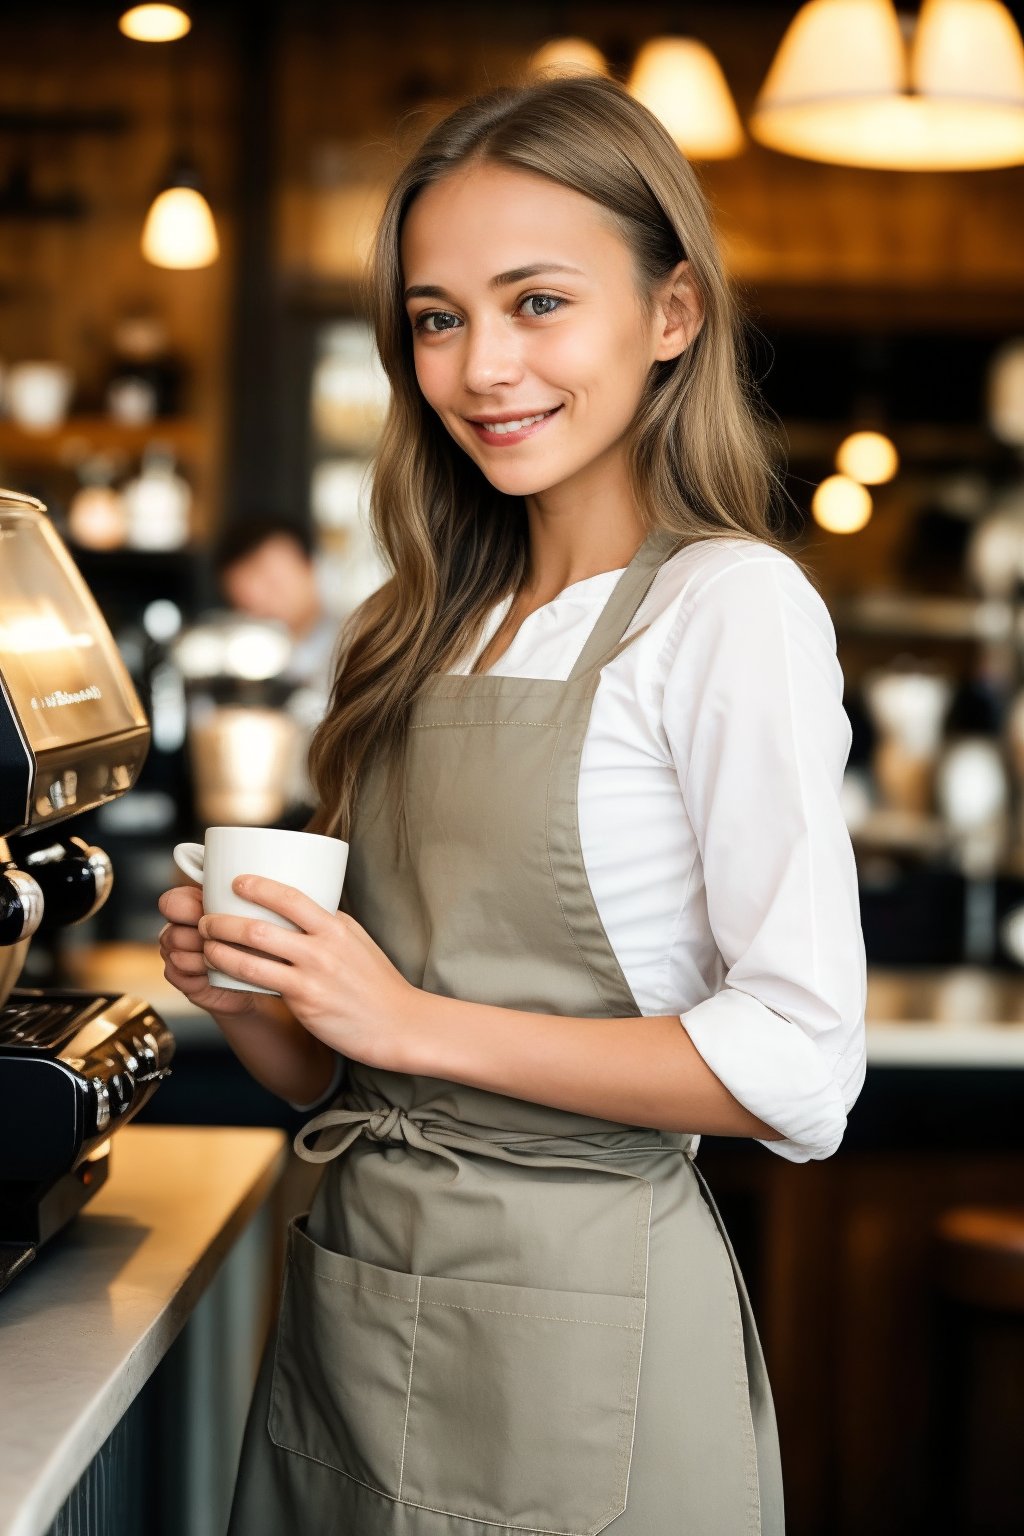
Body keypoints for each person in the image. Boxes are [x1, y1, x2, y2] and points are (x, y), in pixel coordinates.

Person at [157, 72, 866, 1535]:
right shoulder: (411, 630)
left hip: (585, 1340)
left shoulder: (728, 608)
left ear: (671, 315)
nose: (483, 367)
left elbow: (801, 1067)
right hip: (353, 1305)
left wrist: (402, 1019)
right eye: (437, 316)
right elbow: (341, 1083)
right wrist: (263, 991)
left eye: (538, 301)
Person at [211, 516, 345, 816]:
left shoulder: (360, 643)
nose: (262, 600)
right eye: (246, 597)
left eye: (272, 582)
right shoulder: (236, 656)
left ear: (311, 567)